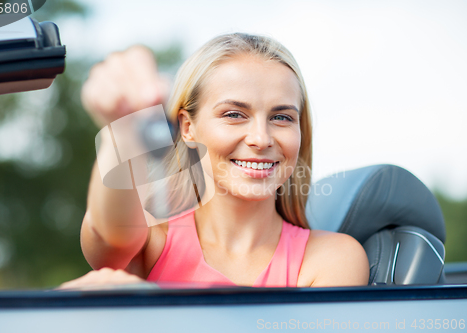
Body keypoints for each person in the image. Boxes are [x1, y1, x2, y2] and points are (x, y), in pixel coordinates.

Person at [59, 33, 369, 290]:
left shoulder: (333, 259)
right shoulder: (155, 238)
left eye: (281, 117)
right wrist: (126, 129)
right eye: (234, 114)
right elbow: (109, 234)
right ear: (187, 127)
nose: (261, 139)